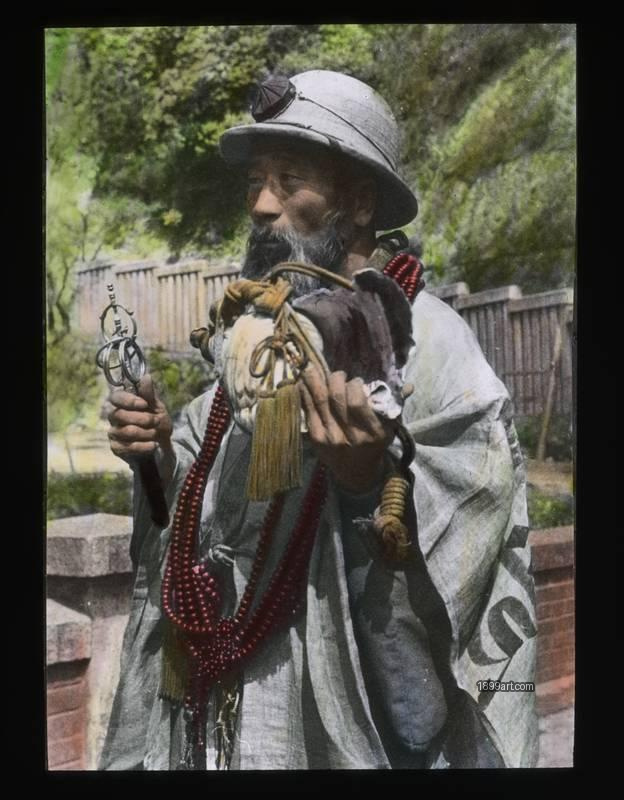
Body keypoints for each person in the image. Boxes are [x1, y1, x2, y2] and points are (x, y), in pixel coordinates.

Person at [99, 70, 538, 770]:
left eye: (291, 181)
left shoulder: (435, 350)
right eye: (255, 183)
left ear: (359, 202)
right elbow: (194, 519)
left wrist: (369, 489)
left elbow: (442, 637)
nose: (263, 206)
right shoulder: (255, 340)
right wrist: (154, 455)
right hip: (219, 725)